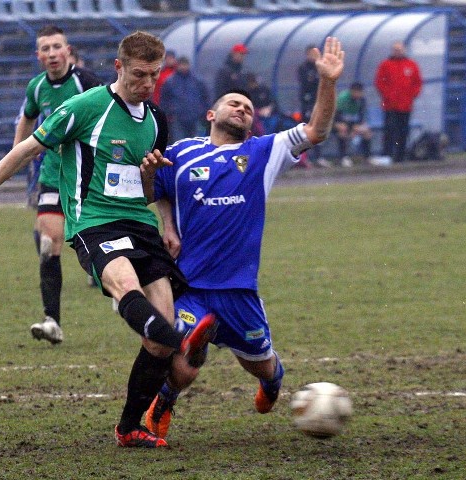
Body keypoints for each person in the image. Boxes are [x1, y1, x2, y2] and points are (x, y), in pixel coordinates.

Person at [0, 31, 216, 449]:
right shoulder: (86, 106)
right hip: (94, 224)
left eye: (154, 75)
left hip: (139, 226)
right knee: (126, 288)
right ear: (119, 67)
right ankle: (180, 341)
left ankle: (130, 426)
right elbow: (22, 152)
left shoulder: (156, 120)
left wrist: (157, 197)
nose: (147, 84)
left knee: (158, 332)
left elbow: (147, 190)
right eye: (139, 74)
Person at [145, 36, 346, 440]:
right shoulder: (181, 152)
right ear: (211, 112)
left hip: (238, 289)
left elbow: (317, 130)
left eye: (249, 108)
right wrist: (167, 224)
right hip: (190, 282)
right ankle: (163, 403)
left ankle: (272, 381)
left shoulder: (263, 152)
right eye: (234, 103)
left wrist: (327, 81)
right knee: (179, 352)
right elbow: (155, 191)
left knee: (261, 363)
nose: (242, 109)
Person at [14, 25, 102, 344]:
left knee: (96, 241)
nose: (51, 54)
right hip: (52, 175)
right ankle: (52, 321)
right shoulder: (37, 88)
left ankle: (124, 292)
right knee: (49, 244)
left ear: (68, 51)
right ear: (38, 56)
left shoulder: (87, 82)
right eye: (45, 49)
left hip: (90, 175)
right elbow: (27, 116)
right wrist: (18, 152)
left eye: (56, 47)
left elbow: (112, 113)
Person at [374, 41, 422, 163]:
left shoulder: (411, 65)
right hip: (390, 105)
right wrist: (388, 95)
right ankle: (387, 154)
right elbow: (380, 82)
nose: (398, 52)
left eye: (399, 49)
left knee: (403, 131)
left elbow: (417, 83)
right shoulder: (385, 65)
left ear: (404, 50)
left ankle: (400, 155)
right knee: (389, 130)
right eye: (395, 49)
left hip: (406, 105)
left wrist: (411, 95)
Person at [159, 56, 209, 143]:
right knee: (179, 143)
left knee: (196, 143)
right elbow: (164, 99)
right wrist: (170, 112)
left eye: (185, 65)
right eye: (182, 65)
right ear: (178, 65)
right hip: (177, 118)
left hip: (195, 118)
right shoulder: (170, 81)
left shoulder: (198, 81)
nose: (184, 67)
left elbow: (205, 97)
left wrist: (202, 112)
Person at [298, 44, 328, 166]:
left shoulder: (320, 67)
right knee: (307, 129)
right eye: (311, 54)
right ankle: (306, 157)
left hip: (319, 102)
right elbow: (306, 84)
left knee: (319, 128)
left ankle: (319, 156)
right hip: (308, 103)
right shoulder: (303, 68)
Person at [333, 81, 373, 166]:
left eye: (360, 92)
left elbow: (361, 117)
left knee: (367, 132)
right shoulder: (343, 98)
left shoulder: (361, 100)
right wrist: (343, 125)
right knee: (342, 129)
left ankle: (367, 157)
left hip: (353, 124)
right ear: (352, 91)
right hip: (339, 123)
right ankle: (343, 157)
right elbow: (336, 116)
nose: (358, 94)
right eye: (356, 92)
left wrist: (357, 127)